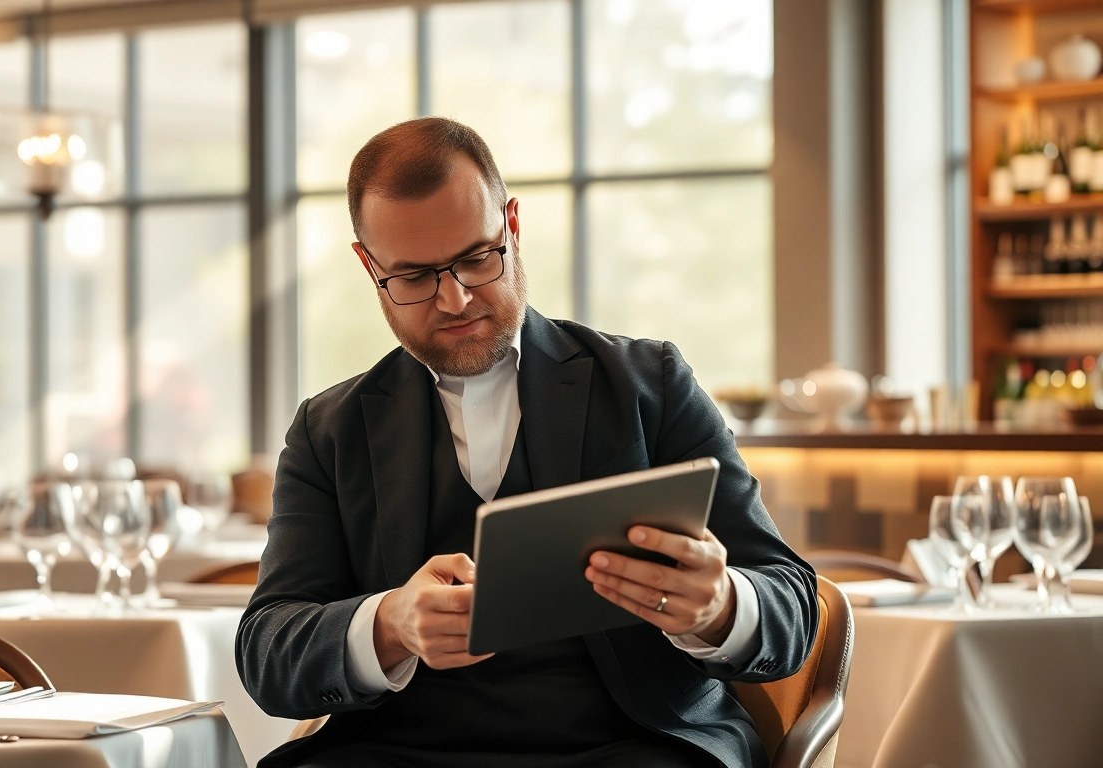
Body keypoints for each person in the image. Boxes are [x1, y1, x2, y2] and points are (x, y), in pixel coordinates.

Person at [237, 117, 818, 768]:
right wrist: (389, 623)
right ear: (368, 265)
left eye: (476, 258)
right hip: (398, 753)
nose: (454, 298)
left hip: (631, 749)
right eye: (412, 277)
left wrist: (719, 605)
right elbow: (268, 651)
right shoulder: (329, 430)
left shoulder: (648, 385)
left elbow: (791, 602)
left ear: (512, 225)